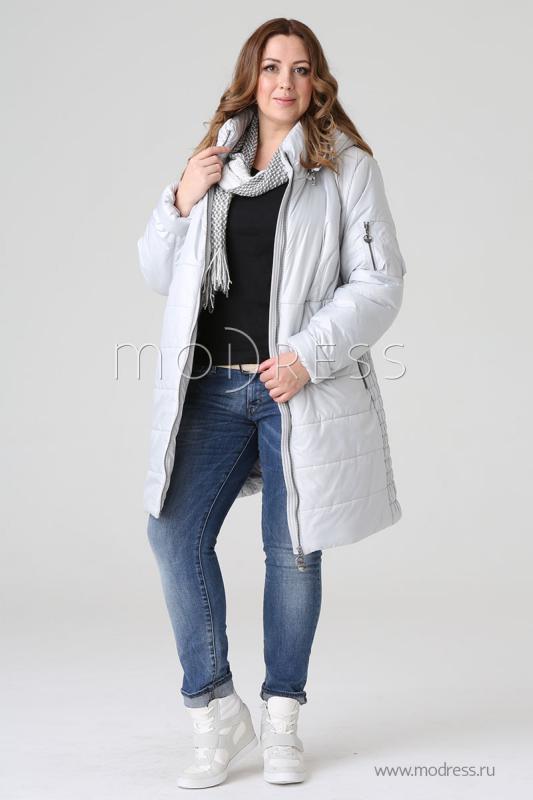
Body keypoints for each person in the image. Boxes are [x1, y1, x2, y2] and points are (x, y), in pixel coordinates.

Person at [137, 17, 407, 790]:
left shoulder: (344, 167)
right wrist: (180, 198)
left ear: (317, 82)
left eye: (299, 68)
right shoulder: (214, 162)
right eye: (270, 67)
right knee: (171, 532)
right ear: (250, 77)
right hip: (212, 385)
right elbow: (158, 272)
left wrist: (306, 356)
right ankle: (215, 711)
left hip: (296, 387)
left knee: (292, 550)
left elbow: (379, 283)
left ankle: (282, 719)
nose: (284, 82)